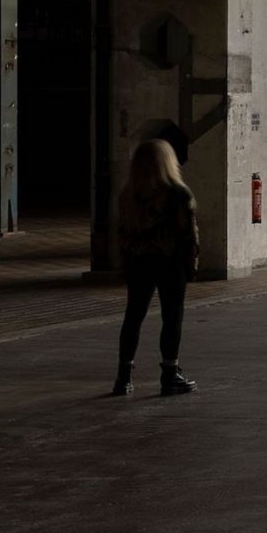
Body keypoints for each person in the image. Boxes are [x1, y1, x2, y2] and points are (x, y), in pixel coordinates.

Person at [112, 138, 198, 398]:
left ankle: (123, 377)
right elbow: (188, 236)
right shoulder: (179, 194)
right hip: (170, 264)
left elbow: (122, 235)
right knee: (172, 317)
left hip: (138, 263)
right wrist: (191, 266)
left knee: (133, 317)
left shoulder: (128, 196)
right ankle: (170, 375)